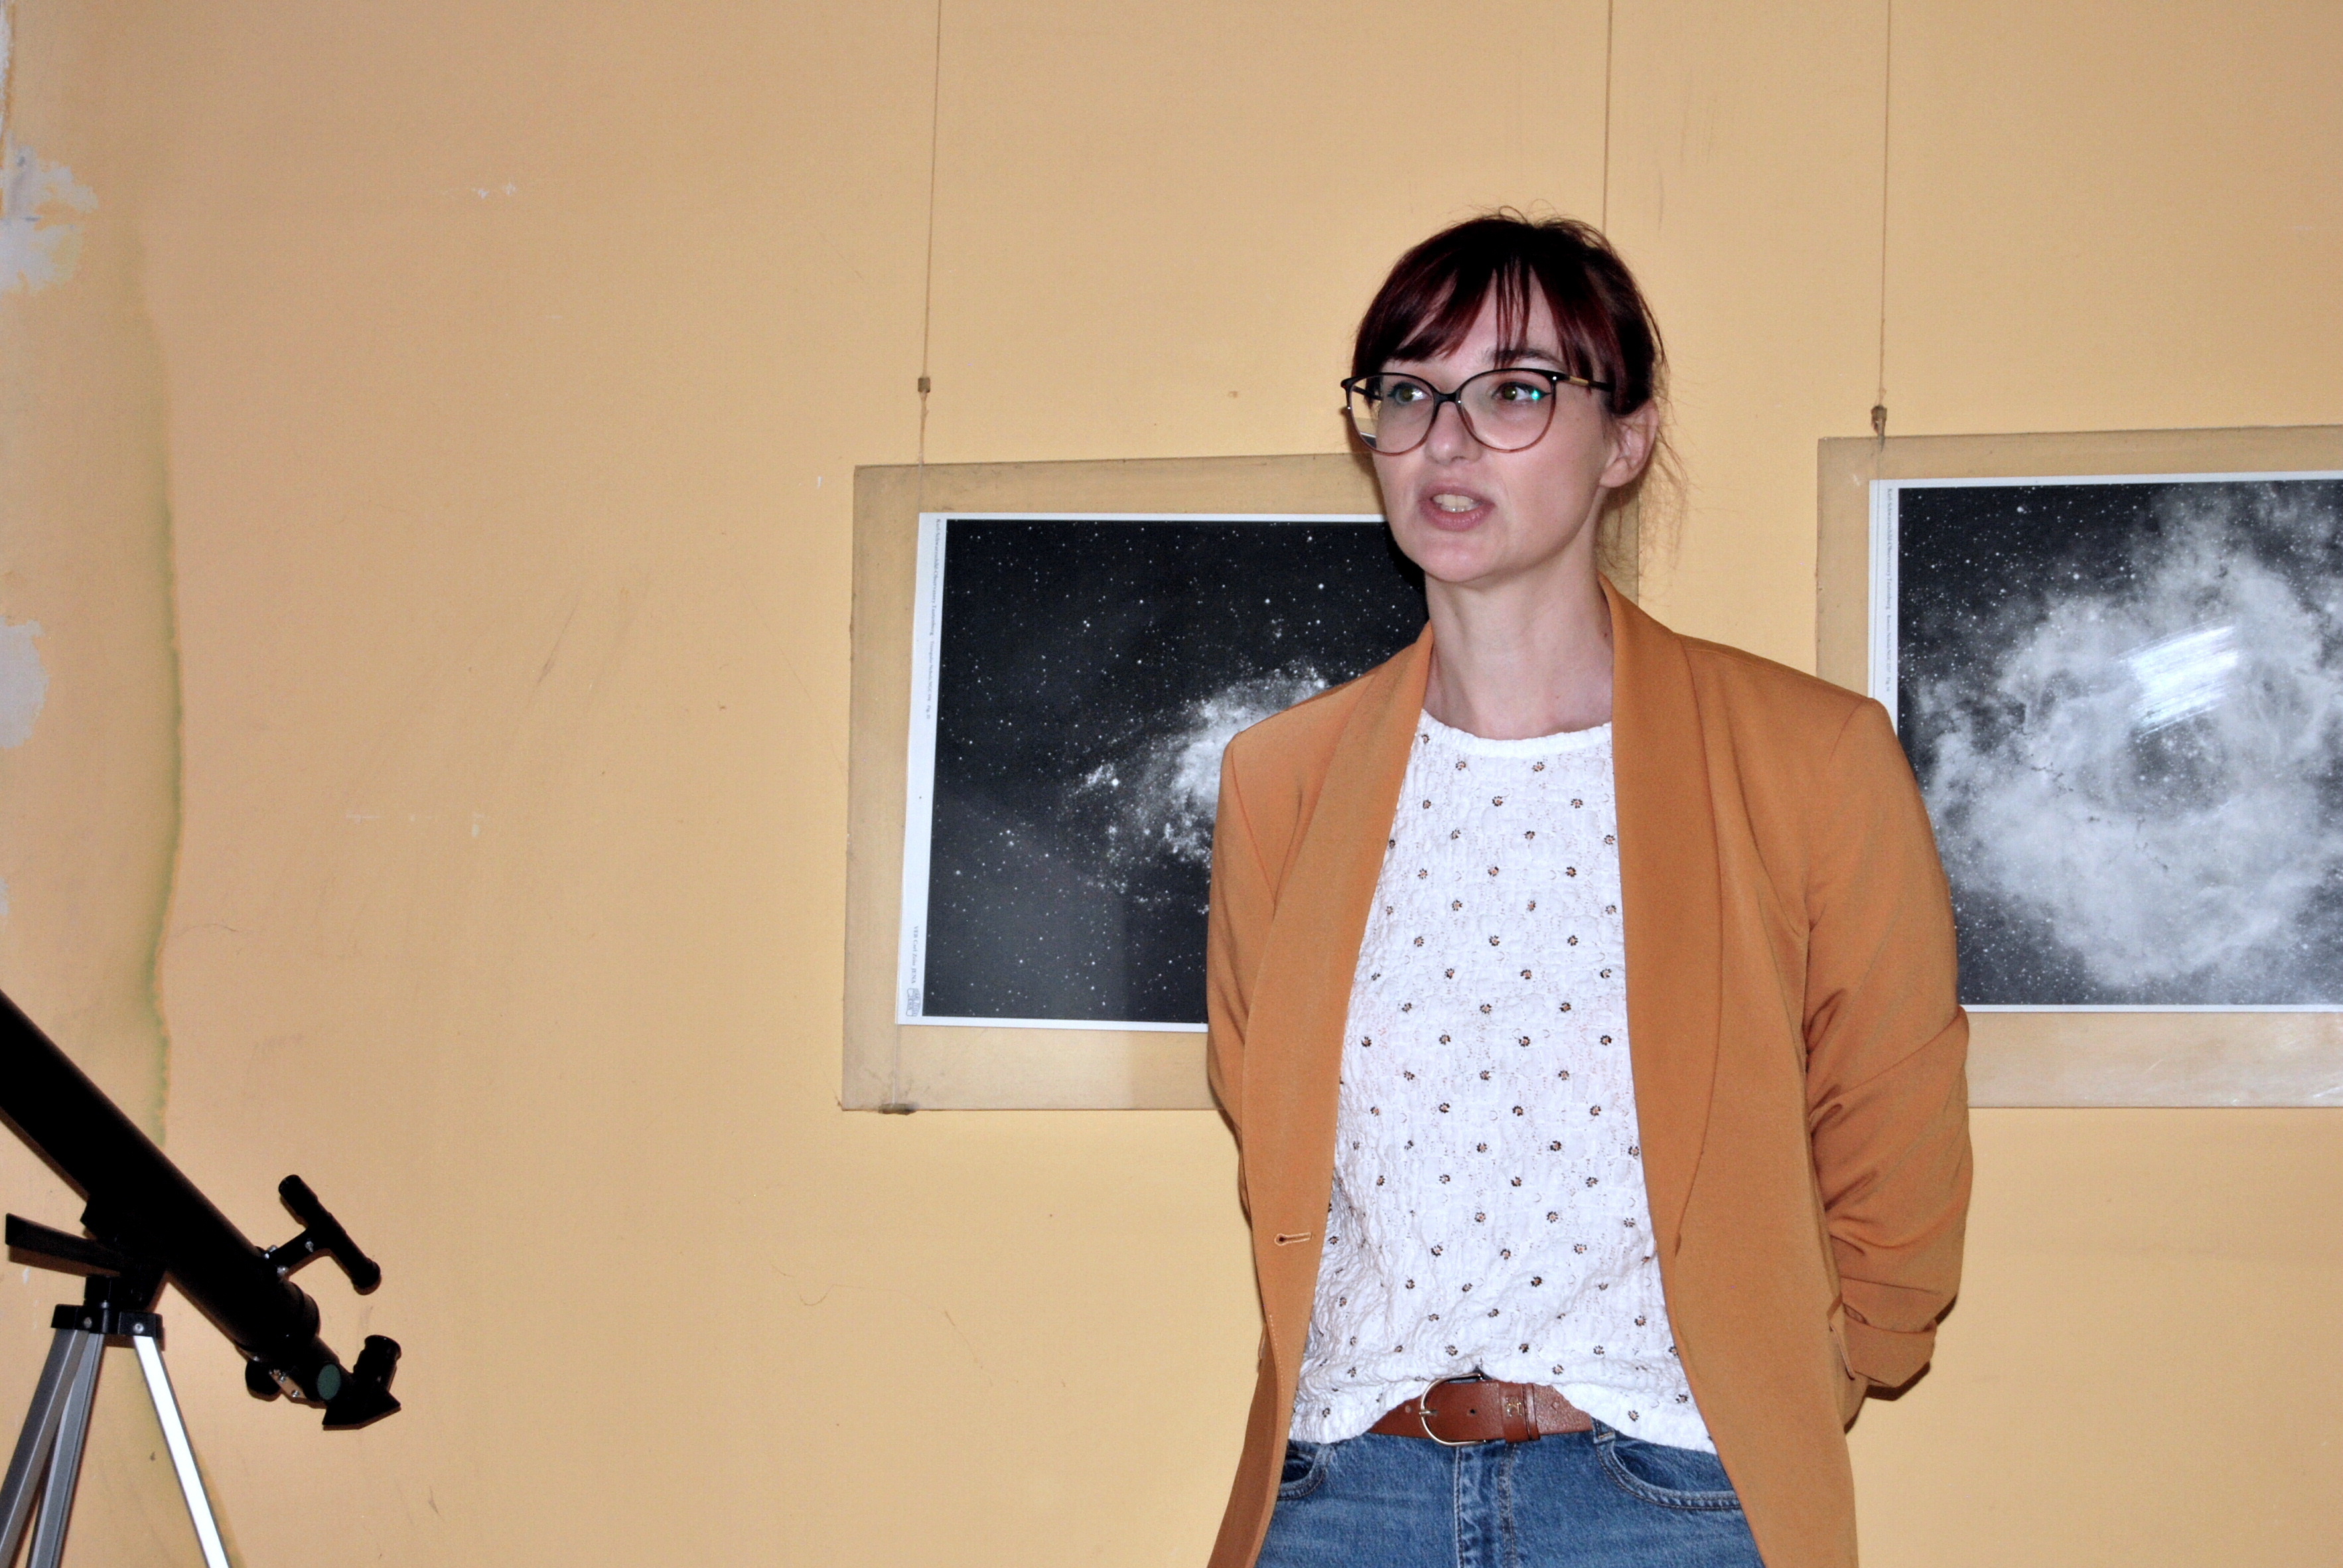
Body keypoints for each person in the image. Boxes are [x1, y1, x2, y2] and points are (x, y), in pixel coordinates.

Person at [1202, 213, 1971, 1568]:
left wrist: (1810, 1371)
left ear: (1625, 440)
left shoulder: (1807, 757)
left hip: (1668, 1501)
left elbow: (1892, 1122)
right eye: (1406, 392)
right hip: (1342, 1496)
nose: (1445, 441)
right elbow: (1261, 1110)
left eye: (1512, 392)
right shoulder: (1284, 780)